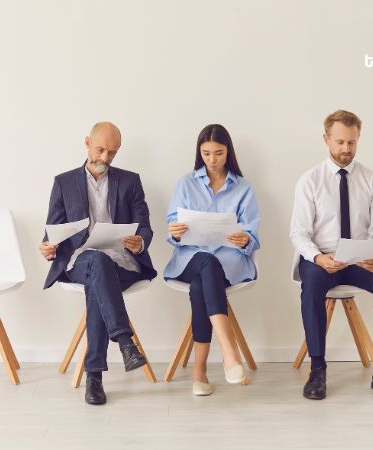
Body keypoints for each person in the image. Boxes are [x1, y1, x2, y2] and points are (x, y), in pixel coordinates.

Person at [290, 110, 373, 400]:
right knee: (312, 286)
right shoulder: (310, 181)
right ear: (326, 139)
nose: (346, 149)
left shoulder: (370, 179)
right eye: (340, 142)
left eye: (352, 143)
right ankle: (317, 368)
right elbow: (299, 233)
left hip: (358, 258)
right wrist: (318, 258)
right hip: (322, 259)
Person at [40, 121, 157, 405]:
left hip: (121, 262)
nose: (105, 158)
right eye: (101, 149)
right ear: (87, 143)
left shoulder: (130, 181)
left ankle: (95, 375)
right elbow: (51, 231)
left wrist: (139, 242)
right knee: (94, 261)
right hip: (79, 261)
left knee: (99, 273)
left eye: (113, 152)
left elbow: (145, 228)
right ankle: (125, 342)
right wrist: (47, 247)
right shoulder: (64, 182)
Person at [164, 124, 260, 396]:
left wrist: (246, 240)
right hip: (189, 260)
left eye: (218, 153)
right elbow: (173, 226)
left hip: (229, 263)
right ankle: (229, 354)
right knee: (205, 260)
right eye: (206, 154)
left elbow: (252, 233)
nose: (212, 160)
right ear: (199, 153)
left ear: (228, 152)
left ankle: (200, 373)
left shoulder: (244, 188)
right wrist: (176, 232)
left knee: (201, 287)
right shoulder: (185, 183)